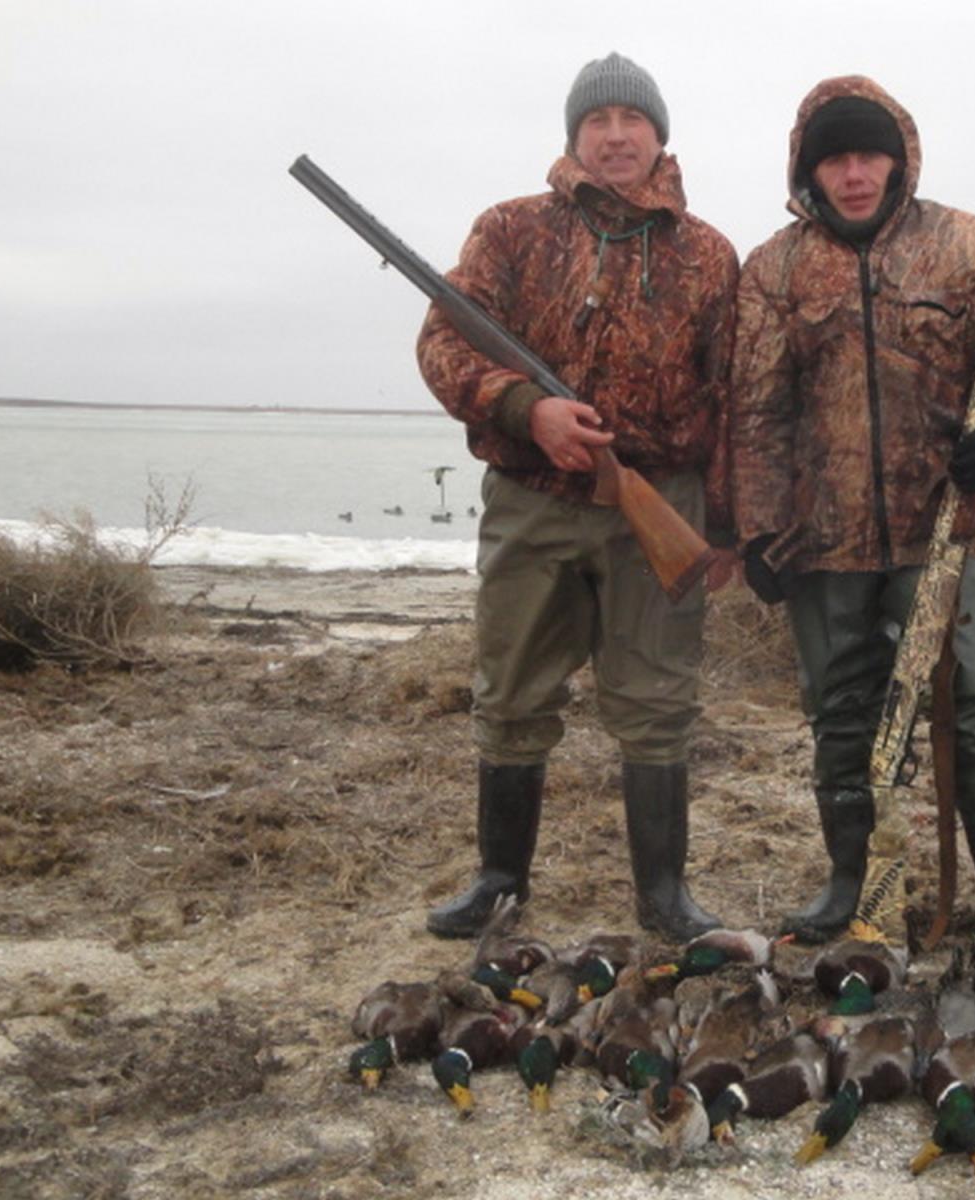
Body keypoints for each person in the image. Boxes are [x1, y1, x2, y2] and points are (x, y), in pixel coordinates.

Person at [729, 76, 975, 974]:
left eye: (867, 156)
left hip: (951, 527)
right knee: (840, 712)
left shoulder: (969, 244)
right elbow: (756, 409)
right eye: (835, 160)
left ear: (897, 160)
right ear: (809, 171)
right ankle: (852, 884)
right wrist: (758, 529)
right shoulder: (774, 269)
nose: (853, 174)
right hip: (825, 538)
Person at [416, 52, 738, 942]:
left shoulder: (709, 254)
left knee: (658, 701)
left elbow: (735, 396)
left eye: (633, 120)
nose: (616, 136)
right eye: (598, 121)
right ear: (574, 137)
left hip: (658, 503)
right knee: (512, 693)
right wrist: (529, 410)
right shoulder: (510, 229)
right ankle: (499, 882)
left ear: (660, 137)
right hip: (533, 497)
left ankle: (664, 895)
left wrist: (727, 526)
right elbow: (444, 344)